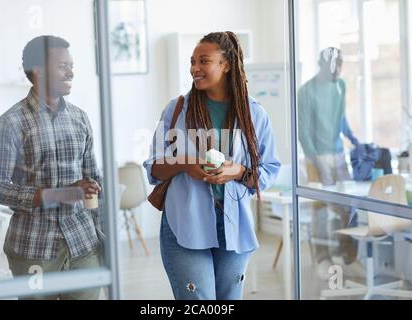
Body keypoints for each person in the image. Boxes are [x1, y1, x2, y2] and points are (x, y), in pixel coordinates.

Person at [143, 31, 280, 300]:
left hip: (234, 224)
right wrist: (184, 163)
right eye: (192, 61)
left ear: (226, 64)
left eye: (203, 61)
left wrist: (238, 171)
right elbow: (152, 168)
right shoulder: (176, 110)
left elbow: (269, 171)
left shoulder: (253, 113)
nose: (195, 68)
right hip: (185, 221)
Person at [0, 35, 103, 300]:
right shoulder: (10, 122)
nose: (71, 71)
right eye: (62, 65)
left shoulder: (80, 118)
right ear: (38, 70)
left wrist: (96, 189)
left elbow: (93, 175)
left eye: (71, 65)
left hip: (83, 244)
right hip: (33, 247)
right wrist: (59, 194)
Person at [298, 47, 361, 279]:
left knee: (348, 205)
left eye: (342, 64)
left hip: (338, 154)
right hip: (315, 156)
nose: (340, 69)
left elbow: (341, 119)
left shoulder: (340, 86)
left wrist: (354, 140)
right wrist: (319, 163)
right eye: (337, 64)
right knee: (321, 210)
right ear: (323, 65)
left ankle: (346, 255)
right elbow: (303, 132)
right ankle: (322, 258)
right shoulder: (306, 91)